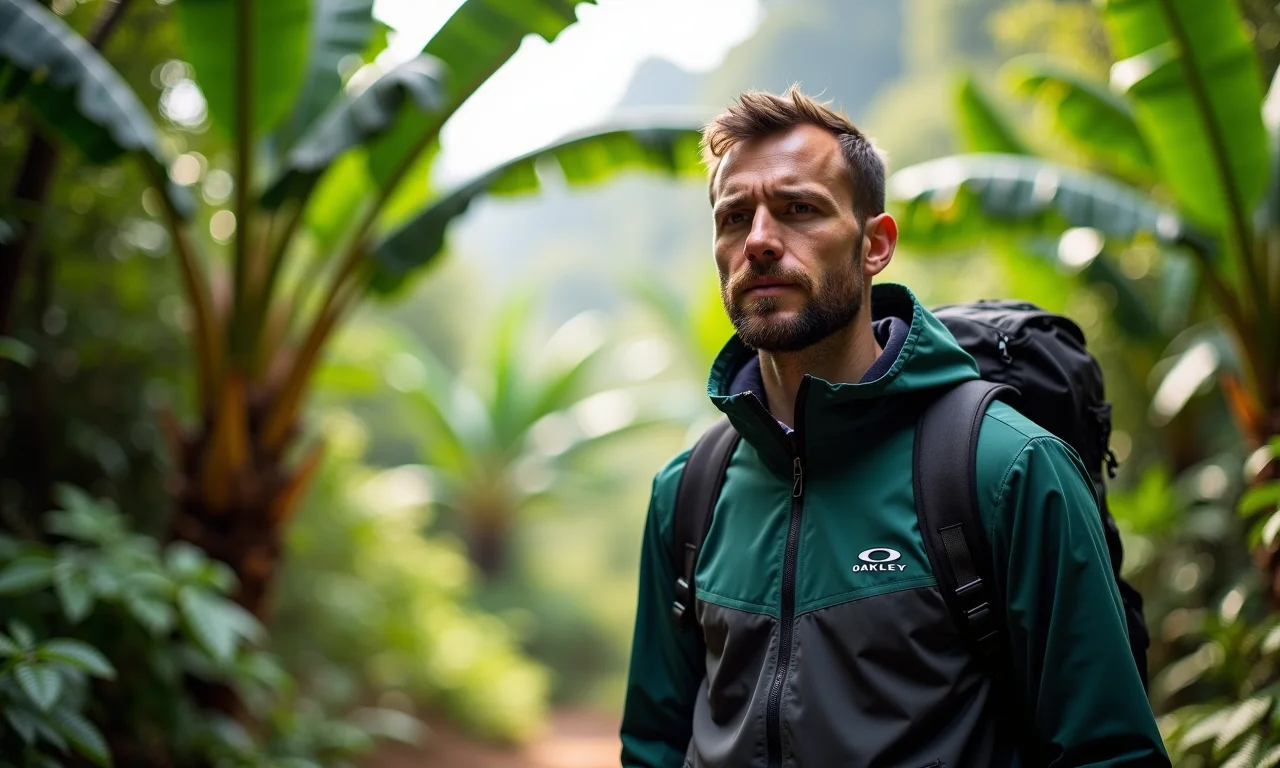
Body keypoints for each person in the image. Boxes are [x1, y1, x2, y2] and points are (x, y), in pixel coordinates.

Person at [619, 86, 1169, 767]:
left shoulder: (1004, 470)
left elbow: (1109, 752)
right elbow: (653, 744)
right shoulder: (689, 493)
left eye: (798, 209)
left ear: (875, 245)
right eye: (734, 217)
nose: (759, 240)